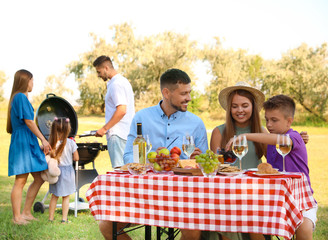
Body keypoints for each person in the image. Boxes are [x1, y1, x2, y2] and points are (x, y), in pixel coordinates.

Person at [97, 68, 208, 240]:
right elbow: (128, 157)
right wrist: (149, 161)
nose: (189, 98)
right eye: (184, 93)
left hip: (183, 198)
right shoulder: (142, 117)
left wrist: (196, 161)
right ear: (166, 93)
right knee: (106, 225)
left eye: (189, 92)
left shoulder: (196, 123)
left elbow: (205, 165)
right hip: (145, 196)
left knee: (192, 229)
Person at [226, 95, 317, 240]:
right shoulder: (271, 141)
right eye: (267, 120)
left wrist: (245, 136)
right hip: (275, 200)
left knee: (304, 229)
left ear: (289, 121)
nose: (269, 125)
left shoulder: (294, 137)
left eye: (274, 120)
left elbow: (282, 141)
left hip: (300, 201)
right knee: (252, 224)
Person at [7, 69, 51, 225]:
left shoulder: (23, 98)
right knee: (21, 180)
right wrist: (43, 140)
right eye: (32, 80)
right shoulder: (19, 97)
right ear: (26, 81)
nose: (33, 83)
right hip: (22, 142)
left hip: (28, 140)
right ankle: (16, 217)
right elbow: (29, 122)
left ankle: (26, 212)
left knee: (39, 178)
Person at [93, 56, 135, 169]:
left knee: (119, 172)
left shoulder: (116, 84)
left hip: (117, 134)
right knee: (129, 171)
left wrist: (104, 129)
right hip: (126, 133)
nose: (98, 75)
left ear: (106, 68)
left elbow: (121, 110)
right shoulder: (122, 81)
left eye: (99, 72)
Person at [48, 117, 79, 223]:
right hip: (68, 173)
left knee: (54, 196)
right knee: (66, 197)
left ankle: (51, 218)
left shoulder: (52, 143)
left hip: (55, 172)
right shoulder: (71, 143)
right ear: (68, 130)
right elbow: (76, 158)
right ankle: (64, 219)